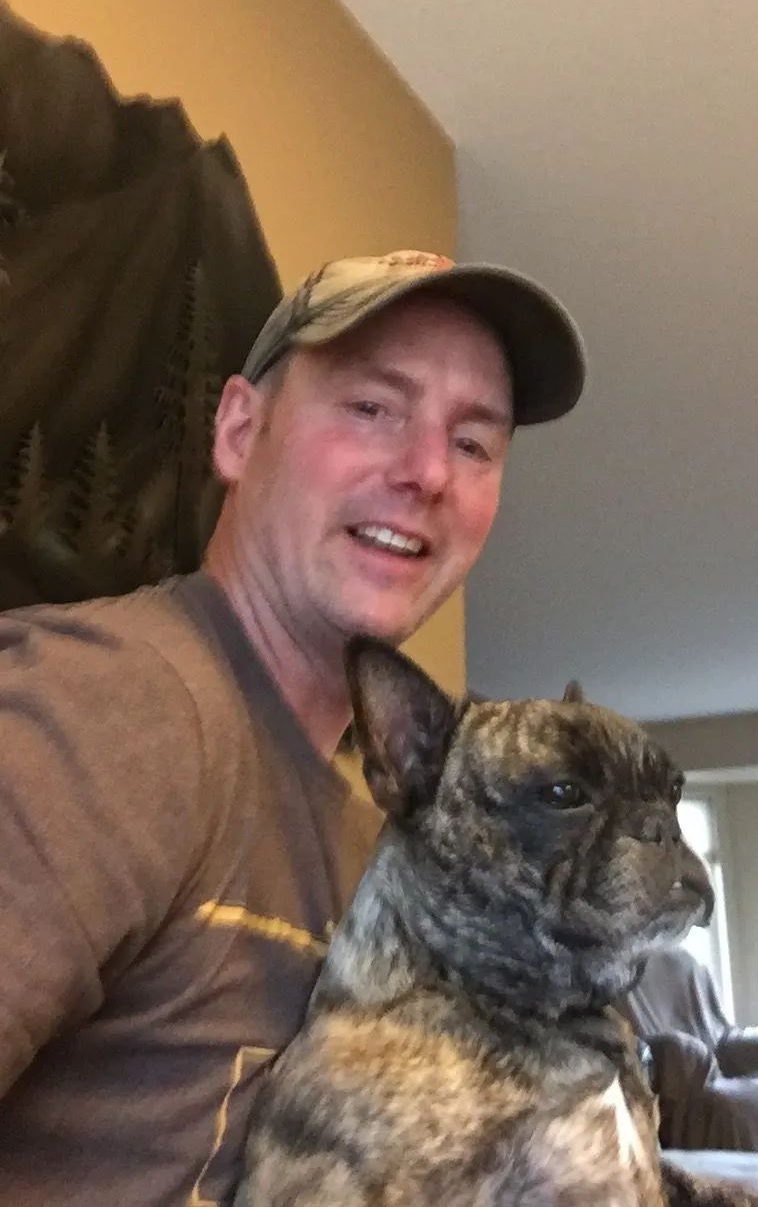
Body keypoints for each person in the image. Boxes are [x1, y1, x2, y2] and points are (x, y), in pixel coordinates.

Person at [0, 249, 585, 1205]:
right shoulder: (106, 707)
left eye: (474, 444)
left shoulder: (370, 839)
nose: (428, 471)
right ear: (240, 431)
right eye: (372, 407)